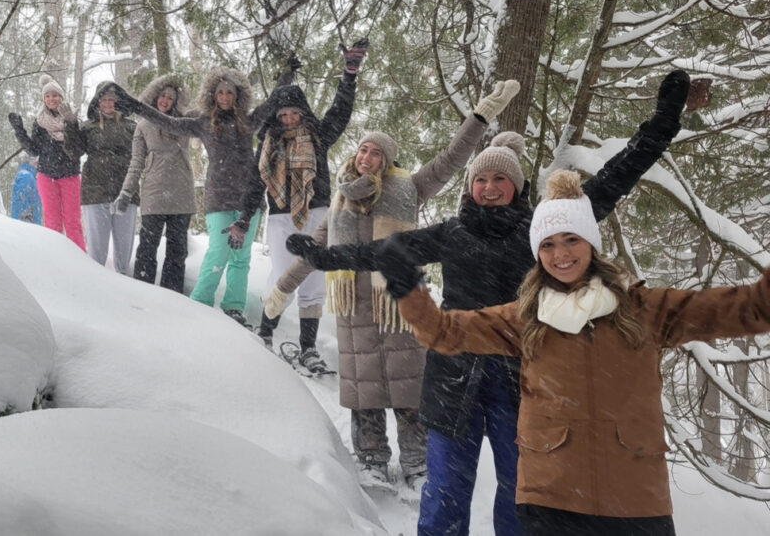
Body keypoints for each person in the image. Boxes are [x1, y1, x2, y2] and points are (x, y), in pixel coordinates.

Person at [288, 70, 690, 536]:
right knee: (444, 495)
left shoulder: (540, 230)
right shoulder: (453, 233)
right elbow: (383, 252)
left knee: (520, 492)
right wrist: (324, 256)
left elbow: (612, 182)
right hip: (452, 378)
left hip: (523, 380)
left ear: (517, 187)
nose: (492, 187)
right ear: (470, 186)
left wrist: (663, 121)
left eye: (502, 178)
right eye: (483, 179)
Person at [379, 169, 770, 536]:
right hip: (549, 502)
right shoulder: (527, 317)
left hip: (634, 502)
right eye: (547, 244)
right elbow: (445, 333)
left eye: (571, 239)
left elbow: (752, 308)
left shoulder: (647, 309)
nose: (560, 254)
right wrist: (408, 289)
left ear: (591, 244)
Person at [265, 82, 520, 486]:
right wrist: (283, 288)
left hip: (400, 306)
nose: (367, 156)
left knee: (408, 388)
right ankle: (371, 458)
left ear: (388, 160)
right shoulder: (337, 205)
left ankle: (418, 462)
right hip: (355, 312)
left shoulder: (410, 189)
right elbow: (315, 252)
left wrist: (480, 116)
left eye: (377, 151)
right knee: (363, 390)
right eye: (364, 149)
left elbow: (452, 159)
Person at [109, 57, 301, 325]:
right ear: (213, 95)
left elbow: (271, 105)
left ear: (237, 96)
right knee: (218, 252)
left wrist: (286, 77)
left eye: (229, 93)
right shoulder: (203, 123)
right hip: (219, 198)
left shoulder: (248, 121)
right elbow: (166, 122)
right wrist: (136, 105)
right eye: (220, 92)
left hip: (250, 200)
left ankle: (234, 307)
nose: (225, 97)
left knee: (241, 258)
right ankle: (200, 303)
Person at [234, 39, 368, 369]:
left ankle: (309, 348)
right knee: (285, 277)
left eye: (295, 112)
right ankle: (265, 335)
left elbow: (340, 112)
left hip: (319, 215)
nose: (291, 118)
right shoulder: (268, 143)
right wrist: (244, 218)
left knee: (314, 282)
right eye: (284, 114)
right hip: (281, 219)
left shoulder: (318, 135)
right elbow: (255, 182)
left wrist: (349, 75)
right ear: (277, 117)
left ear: (303, 112)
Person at [114, 74, 195, 293]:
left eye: (171, 97)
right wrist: (126, 192)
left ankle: (173, 293)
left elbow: (206, 114)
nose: (165, 101)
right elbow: (137, 161)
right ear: (155, 96)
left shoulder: (185, 123)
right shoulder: (143, 125)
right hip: (153, 192)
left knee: (178, 250)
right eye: (162, 96)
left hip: (182, 192)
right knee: (148, 248)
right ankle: (143, 292)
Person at [64, 83, 137, 274]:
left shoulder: (132, 127)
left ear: (118, 102)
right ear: (97, 102)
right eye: (104, 99)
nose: (108, 103)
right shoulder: (89, 127)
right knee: (97, 252)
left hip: (126, 192)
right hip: (95, 192)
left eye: (112, 99)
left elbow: (142, 155)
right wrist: (71, 126)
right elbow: (74, 152)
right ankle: (97, 287)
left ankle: (126, 285)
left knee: (124, 249)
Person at [8, 74, 85, 250]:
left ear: (61, 97)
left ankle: (80, 260)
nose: (52, 99)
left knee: (73, 223)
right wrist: (19, 130)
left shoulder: (73, 119)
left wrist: (71, 123)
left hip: (70, 176)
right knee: (52, 222)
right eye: (48, 96)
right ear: (44, 99)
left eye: (55, 95)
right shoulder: (40, 122)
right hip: (46, 176)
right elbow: (34, 150)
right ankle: (55, 258)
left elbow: (77, 151)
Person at [11, 155, 42, 225]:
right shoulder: (25, 176)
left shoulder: (30, 176)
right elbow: (21, 199)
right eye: (36, 161)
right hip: (27, 224)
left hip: (30, 224)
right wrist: (27, 219)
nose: (38, 164)